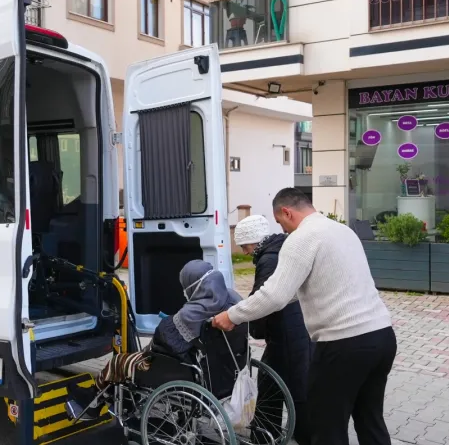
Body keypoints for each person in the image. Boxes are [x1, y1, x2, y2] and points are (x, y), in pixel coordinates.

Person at [213, 188, 396, 445]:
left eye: (280, 222)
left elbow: (274, 296)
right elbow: (294, 292)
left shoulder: (301, 239)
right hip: (382, 337)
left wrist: (233, 315)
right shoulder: (343, 231)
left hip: (343, 344)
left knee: (326, 424)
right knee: (370, 419)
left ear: (287, 212)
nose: (283, 230)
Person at [67, 260, 241, 420]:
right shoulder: (234, 304)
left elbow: (162, 343)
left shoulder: (190, 314)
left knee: (119, 361)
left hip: (186, 373)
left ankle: (92, 401)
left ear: (193, 285)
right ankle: (107, 398)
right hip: (224, 373)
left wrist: (169, 322)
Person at [234, 215, 313, 445]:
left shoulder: (269, 260)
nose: (245, 252)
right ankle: (288, 433)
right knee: (293, 383)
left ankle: (266, 437)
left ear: (254, 242)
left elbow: (262, 299)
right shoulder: (283, 250)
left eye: (245, 246)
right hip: (301, 326)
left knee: (275, 385)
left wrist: (253, 328)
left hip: (286, 332)